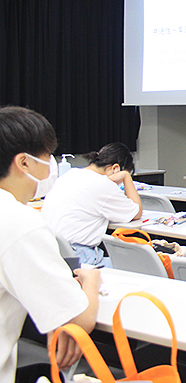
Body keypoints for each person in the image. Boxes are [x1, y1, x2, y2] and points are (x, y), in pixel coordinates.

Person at [0, 106, 101, 383]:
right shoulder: (18, 222)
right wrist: (92, 280)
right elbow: (78, 319)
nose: (50, 166)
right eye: (48, 157)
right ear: (24, 163)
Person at [42, 143, 142, 268]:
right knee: (137, 266)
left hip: (52, 252)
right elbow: (136, 212)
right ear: (115, 168)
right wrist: (127, 177)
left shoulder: (69, 175)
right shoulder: (102, 184)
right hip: (79, 256)